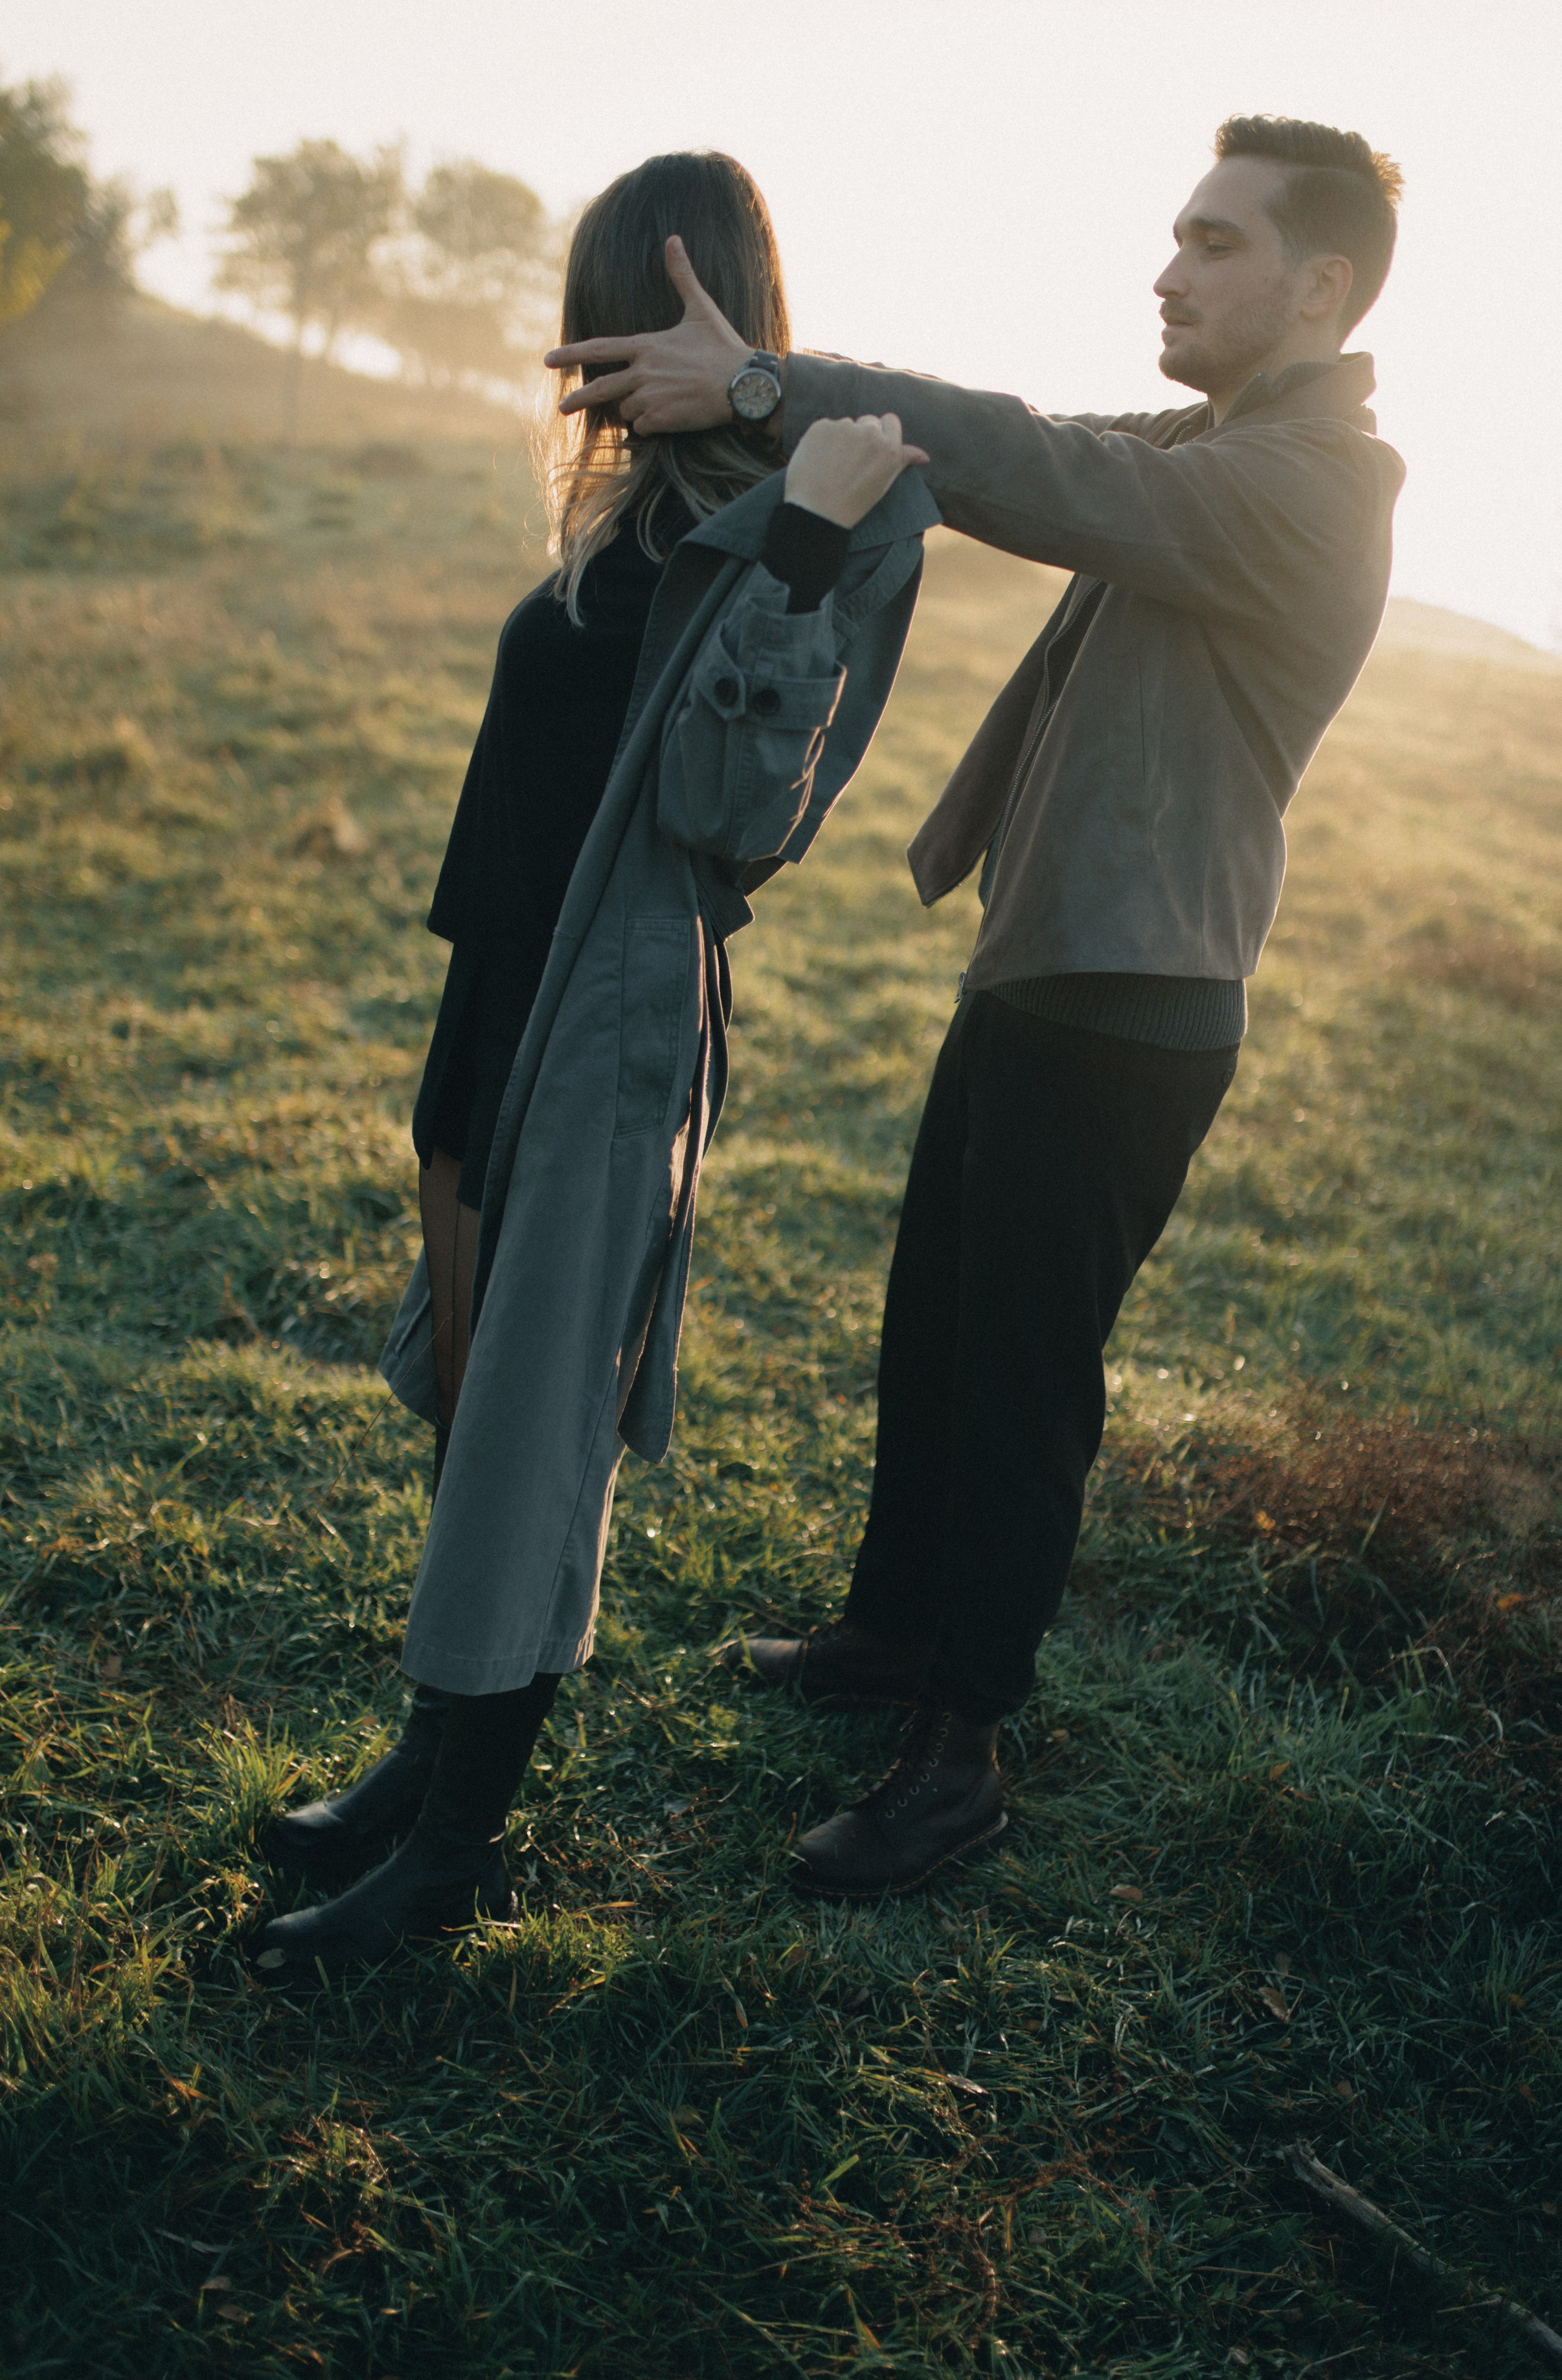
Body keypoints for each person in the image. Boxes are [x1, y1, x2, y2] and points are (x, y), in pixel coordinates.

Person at [547, 115, 1407, 1897]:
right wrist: (801, 399)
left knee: (1022, 1376)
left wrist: (763, 379)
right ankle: (888, 1633)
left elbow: (1030, 464)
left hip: (1134, 1007)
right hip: (1052, 969)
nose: (1168, 269)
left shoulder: (1316, 485)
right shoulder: (1215, 441)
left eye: (1216, 243)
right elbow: (1011, 436)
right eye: (1175, 233)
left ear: (1323, 287)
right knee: (936, 1317)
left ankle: (961, 1756)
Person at [249, 152, 933, 1978]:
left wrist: (797, 534)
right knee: (479, 1417)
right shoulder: (627, 507)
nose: (605, 351)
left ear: (717, 299)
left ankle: (444, 1870)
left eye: (635, 304)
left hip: (615, 1009)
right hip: (494, 993)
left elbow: (736, 822)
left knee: (533, 1434)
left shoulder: (844, 509)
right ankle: (425, 1757)